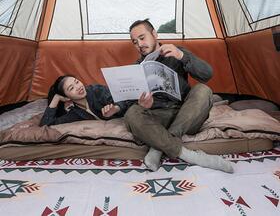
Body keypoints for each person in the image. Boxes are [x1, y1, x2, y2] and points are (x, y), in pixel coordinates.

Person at [125, 19, 233, 173]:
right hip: (157, 117)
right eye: (134, 42)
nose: (139, 44)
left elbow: (207, 74)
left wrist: (181, 55)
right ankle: (189, 155)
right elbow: (130, 102)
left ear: (154, 34)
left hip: (185, 115)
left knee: (204, 90)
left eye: (142, 38)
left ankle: (158, 148)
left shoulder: (176, 52)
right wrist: (142, 105)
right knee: (131, 114)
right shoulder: (137, 67)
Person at [40, 75, 130, 126]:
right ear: (67, 97)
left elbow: (126, 100)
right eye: (71, 88)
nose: (78, 87)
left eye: (77, 82)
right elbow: (45, 124)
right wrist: (56, 98)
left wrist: (116, 108)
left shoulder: (96, 90)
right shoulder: (74, 112)